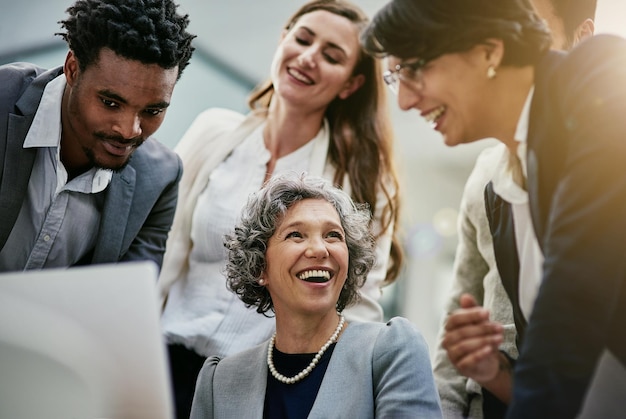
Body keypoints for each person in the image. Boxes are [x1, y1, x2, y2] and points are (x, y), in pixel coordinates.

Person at [361, 0, 626, 418]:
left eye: (412, 69)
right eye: (395, 80)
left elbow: (578, 292)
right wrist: (497, 373)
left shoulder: (599, 73)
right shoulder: (528, 163)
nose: (406, 101)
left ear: (489, 51)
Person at [158, 1, 402, 417]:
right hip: (161, 358)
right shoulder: (213, 131)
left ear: (350, 84)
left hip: (253, 385)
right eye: (303, 39)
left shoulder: (358, 180)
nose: (308, 57)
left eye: (331, 55)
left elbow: (358, 305)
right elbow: (158, 243)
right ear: (283, 40)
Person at [429, 0, 595, 417]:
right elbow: (456, 318)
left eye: (528, 26)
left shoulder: (605, 158)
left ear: (583, 39)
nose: (506, 44)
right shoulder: (485, 175)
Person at [189, 173, 441, 419]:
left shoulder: (392, 349)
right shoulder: (220, 380)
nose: (320, 249)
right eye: (295, 234)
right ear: (259, 268)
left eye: (333, 235)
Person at [0, 0, 195, 272]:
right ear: (72, 69)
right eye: (110, 103)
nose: (129, 131)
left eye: (152, 111)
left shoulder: (160, 178)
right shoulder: (3, 98)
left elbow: (127, 299)